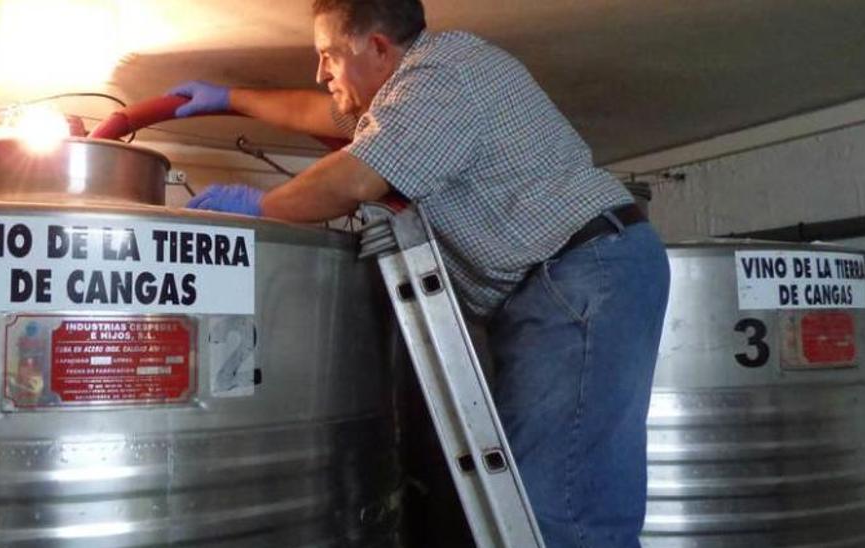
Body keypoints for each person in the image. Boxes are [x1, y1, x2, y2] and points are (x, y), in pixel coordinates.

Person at [170, 0, 670, 546]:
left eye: (328, 56)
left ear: (378, 47)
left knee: (558, 508)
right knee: (546, 497)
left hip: (581, 274)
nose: (320, 73)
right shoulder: (403, 99)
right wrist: (228, 100)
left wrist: (258, 210)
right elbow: (317, 113)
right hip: (569, 281)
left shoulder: (441, 74)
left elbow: (356, 177)